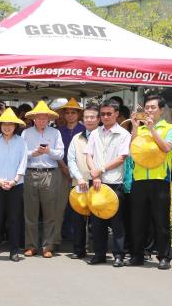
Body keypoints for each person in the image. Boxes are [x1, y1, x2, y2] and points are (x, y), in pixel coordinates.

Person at [128, 95, 172, 269]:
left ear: (161, 110)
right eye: (147, 107)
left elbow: (166, 148)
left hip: (159, 179)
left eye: (153, 107)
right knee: (138, 220)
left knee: (160, 220)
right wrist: (135, 127)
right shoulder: (140, 129)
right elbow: (132, 149)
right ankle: (137, 255)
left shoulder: (170, 128)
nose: (148, 110)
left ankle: (164, 256)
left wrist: (152, 130)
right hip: (139, 179)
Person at [85, 100, 131, 267]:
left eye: (108, 114)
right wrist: (95, 174)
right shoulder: (95, 133)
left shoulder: (124, 134)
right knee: (97, 221)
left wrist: (100, 170)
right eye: (102, 114)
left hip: (114, 182)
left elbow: (122, 157)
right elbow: (88, 155)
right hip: (96, 182)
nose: (105, 117)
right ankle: (99, 254)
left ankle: (119, 255)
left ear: (116, 114)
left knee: (117, 221)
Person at [21, 100, 64, 258]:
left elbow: (60, 154)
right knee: (30, 212)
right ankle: (31, 246)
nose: (41, 120)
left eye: (44, 118)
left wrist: (48, 151)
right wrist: (33, 153)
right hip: (31, 173)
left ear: (49, 119)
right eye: (38, 118)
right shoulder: (26, 133)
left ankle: (48, 246)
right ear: (33, 119)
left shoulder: (55, 133)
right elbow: (21, 154)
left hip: (50, 173)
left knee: (50, 212)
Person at [0, 108, 27, 262]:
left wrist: (14, 180)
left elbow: (23, 163)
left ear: (15, 126)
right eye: (4, 124)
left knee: (15, 218)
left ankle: (14, 251)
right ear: (0, 125)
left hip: (16, 185)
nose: (7, 127)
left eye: (11, 124)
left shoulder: (21, 141)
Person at [66, 104, 99, 259]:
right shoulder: (76, 138)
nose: (89, 120)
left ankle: (98, 251)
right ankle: (79, 250)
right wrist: (78, 177)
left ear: (98, 119)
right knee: (78, 219)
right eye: (86, 117)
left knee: (98, 218)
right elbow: (71, 159)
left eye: (92, 117)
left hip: (98, 183)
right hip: (79, 183)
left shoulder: (102, 136)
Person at [56, 98, 86, 243]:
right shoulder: (58, 131)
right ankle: (63, 231)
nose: (70, 115)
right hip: (61, 170)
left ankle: (78, 234)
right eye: (67, 112)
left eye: (73, 112)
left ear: (79, 114)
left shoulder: (84, 131)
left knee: (78, 202)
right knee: (61, 203)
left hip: (80, 172)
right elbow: (55, 152)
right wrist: (63, 167)